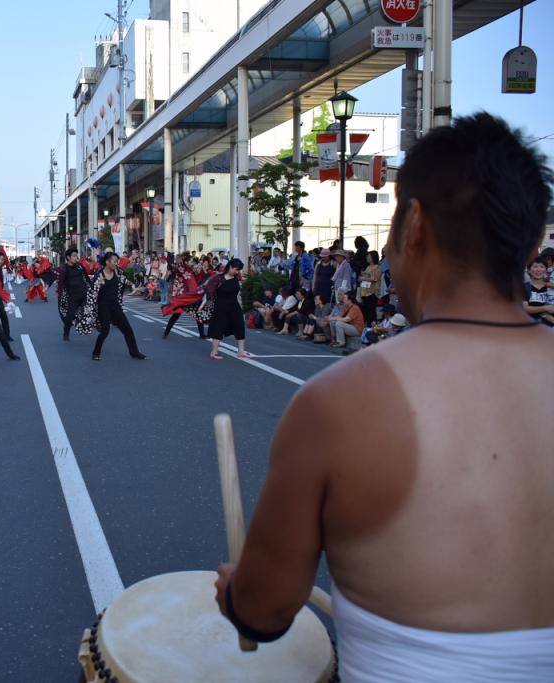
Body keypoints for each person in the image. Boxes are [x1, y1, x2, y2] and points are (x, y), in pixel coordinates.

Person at [214, 113, 554, 681]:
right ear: (536, 237)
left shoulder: (340, 402)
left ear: (414, 224)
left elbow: (265, 610)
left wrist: (235, 593)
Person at [78, 251, 145, 361]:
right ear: (107, 262)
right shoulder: (99, 276)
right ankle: (96, 352)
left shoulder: (117, 272)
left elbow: (124, 280)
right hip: (103, 307)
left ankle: (134, 352)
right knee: (105, 331)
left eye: (117, 262)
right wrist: (88, 311)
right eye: (114, 262)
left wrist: (133, 285)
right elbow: (92, 294)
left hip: (115, 306)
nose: (116, 264)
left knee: (127, 329)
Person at [205, 258, 251, 360]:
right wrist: (203, 303)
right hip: (220, 306)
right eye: (236, 269)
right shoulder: (218, 278)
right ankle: (214, 352)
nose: (237, 271)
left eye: (238, 270)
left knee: (240, 326)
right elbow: (208, 290)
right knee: (218, 328)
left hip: (234, 305)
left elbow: (241, 283)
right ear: (230, 267)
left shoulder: (236, 277)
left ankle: (241, 351)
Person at [161, 257, 211, 338]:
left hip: (191, 296)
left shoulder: (192, 269)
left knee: (198, 313)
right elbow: (173, 266)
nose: (192, 262)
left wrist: (202, 269)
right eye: (190, 261)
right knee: (176, 315)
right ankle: (166, 332)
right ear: (186, 262)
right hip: (183, 296)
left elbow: (201, 275)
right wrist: (175, 259)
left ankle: (202, 334)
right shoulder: (182, 268)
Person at [57, 247, 92, 340]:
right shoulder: (64, 269)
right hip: (72, 297)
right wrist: (59, 295)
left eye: (77, 255)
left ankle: (92, 327)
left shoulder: (80, 266)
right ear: (68, 257)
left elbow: (87, 278)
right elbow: (60, 284)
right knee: (70, 315)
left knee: (90, 311)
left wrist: (92, 287)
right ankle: (66, 332)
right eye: (74, 256)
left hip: (84, 294)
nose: (76, 257)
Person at [524, 257, 554, 326]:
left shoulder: (550, 288)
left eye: (542, 266)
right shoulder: (525, 287)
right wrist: (544, 308)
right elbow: (524, 308)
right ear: (529, 270)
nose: (538, 269)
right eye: (535, 266)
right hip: (532, 328)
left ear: (546, 269)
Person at [357, 250, 383, 324]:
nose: (367, 257)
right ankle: (368, 325)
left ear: (373, 257)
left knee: (371, 311)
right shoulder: (368, 267)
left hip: (372, 292)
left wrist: (363, 278)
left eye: (369, 256)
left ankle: (373, 326)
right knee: (367, 311)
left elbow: (375, 278)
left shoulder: (377, 267)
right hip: (365, 292)